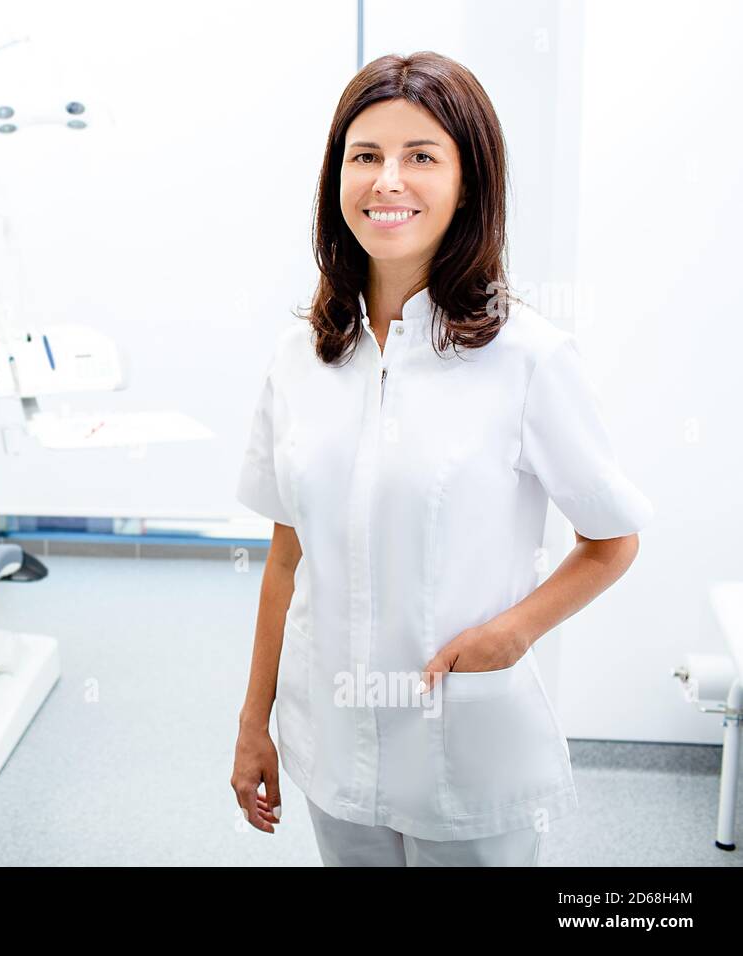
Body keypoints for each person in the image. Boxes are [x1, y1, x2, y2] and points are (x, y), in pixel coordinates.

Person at [229, 51, 653, 866]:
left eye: (421, 156)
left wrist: (513, 634)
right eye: (365, 156)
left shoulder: (528, 356)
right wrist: (255, 722)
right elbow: (286, 560)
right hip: (329, 733)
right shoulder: (300, 358)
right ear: (336, 181)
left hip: (465, 739)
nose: (387, 180)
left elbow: (612, 540)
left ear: (469, 183)